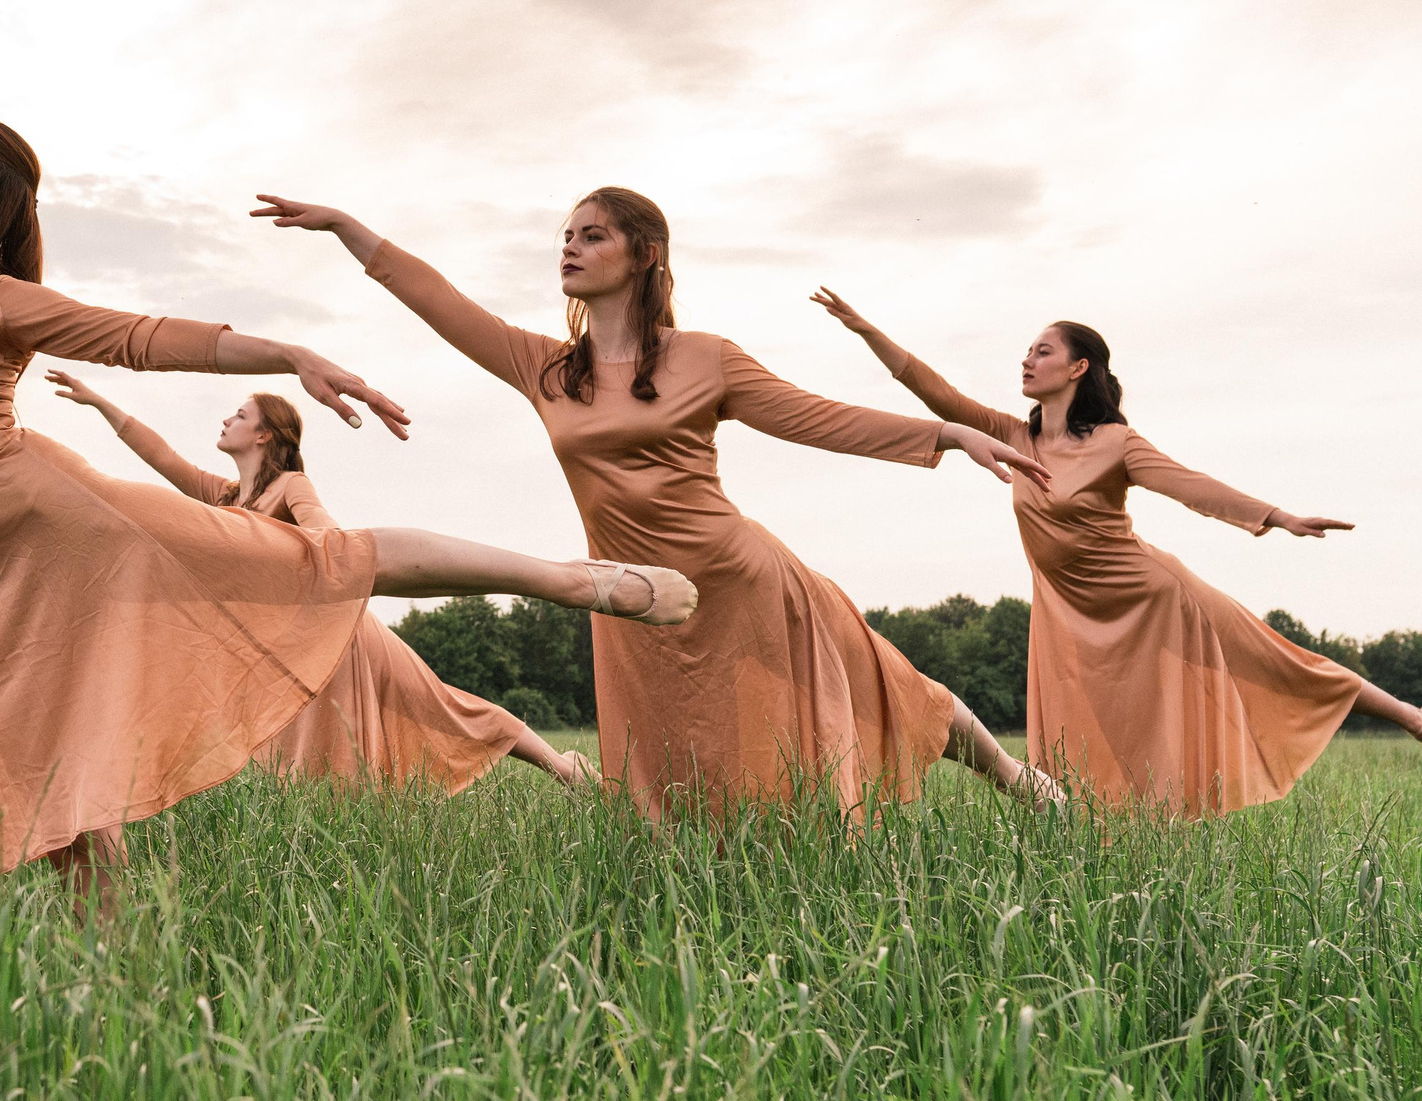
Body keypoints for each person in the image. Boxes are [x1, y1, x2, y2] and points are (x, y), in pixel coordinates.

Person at [0, 0, 693, 905]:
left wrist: (286, 351)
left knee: (324, 562)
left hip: (50, 527)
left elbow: (145, 337)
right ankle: (107, 978)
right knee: (38, 756)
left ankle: (576, 582)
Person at [257, 189, 1064, 822]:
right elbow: (440, 301)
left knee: (890, 684)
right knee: (675, 766)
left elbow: (817, 417)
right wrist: (347, 229)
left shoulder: (707, 360)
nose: (570, 247)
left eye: (592, 234)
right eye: (565, 237)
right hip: (633, 598)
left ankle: (1013, 776)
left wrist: (949, 434)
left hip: (745, 578)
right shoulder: (545, 368)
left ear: (645, 256)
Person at [810, 290, 1422, 813]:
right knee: (1089, 732)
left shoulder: (1116, 443)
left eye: (1041, 351)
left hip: (1151, 594)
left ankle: (1409, 716)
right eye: (1025, 351)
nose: (1026, 360)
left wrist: (1277, 516)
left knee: (1275, 662)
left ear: (1077, 367)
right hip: (1069, 610)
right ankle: (1096, 832)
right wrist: (866, 331)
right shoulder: (1010, 433)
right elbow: (937, 396)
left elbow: (1189, 485)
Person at [46, 371, 598, 793]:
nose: (224, 421)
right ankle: (335, 808)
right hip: (291, 638)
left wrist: (287, 552)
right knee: (301, 731)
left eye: (237, 415)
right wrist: (100, 403)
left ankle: (564, 766)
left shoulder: (290, 485)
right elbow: (162, 457)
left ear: (263, 434)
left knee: (439, 704)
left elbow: (329, 535)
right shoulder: (225, 498)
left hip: (341, 629)